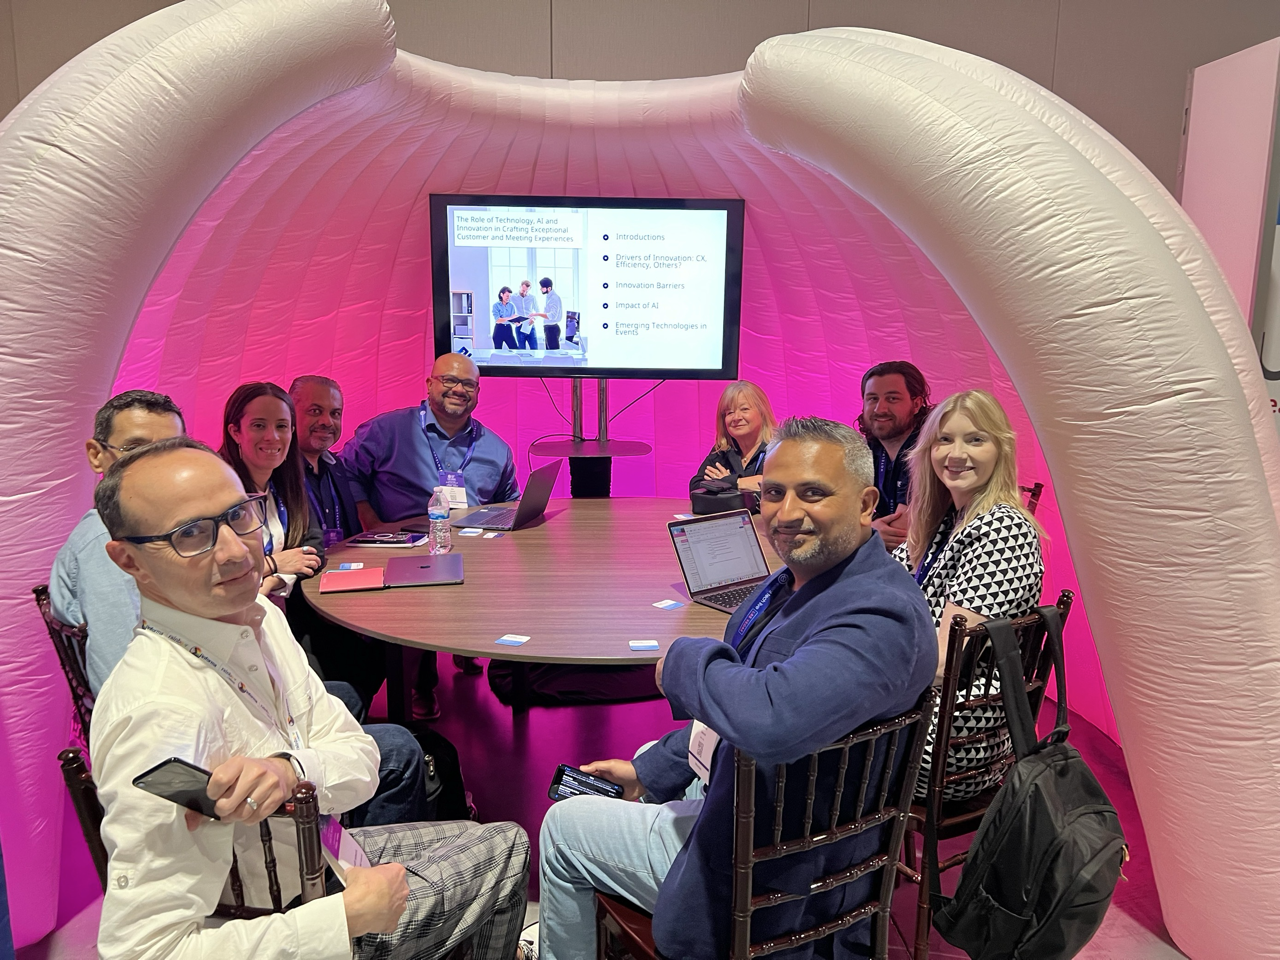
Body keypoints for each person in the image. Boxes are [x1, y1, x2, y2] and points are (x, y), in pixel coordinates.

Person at [89, 438, 529, 959]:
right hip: (303, 916)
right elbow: (143, 951)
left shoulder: (260, 617)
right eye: (191, 535)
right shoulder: (160, 712)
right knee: (505, 849)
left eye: (238, 516)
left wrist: (287, 770)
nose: (234, 550)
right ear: (128, 560)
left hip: (321, 856)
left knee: (475, 831)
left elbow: (360, 760)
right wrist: (340, 920)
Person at [536, 417, 937, 960]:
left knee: (564, 826)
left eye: (813, 493)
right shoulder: (807, 580)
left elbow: (767, 717)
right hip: (768, 813)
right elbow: (739, 706)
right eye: (774, 492)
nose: (787, 513)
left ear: (867, 504)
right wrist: (649, 773)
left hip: (772, 876)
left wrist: (679, 658)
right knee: (644, 758)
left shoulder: (880, 616)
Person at [340, 353, 519, 717]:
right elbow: (344, 471)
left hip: (474, 545)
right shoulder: (388, 430)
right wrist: (370, 518)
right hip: (407, 542)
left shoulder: (496, 448)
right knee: (425, 597)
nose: (458, 390)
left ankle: (472, 647)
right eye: (449, 381)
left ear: (478, 391)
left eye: (468, 384)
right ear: (430, 384)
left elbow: (511, 500)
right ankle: (418, 688)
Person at [895, 389, 1044, 800]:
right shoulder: (946, 521)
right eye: (945, 439)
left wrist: (857, 670)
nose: (955, 454)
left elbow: (945, 662)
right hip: (924, 711)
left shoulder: (1003, 529)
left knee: (792, 734)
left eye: (975, 439)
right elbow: (876, 582)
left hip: (953, 737)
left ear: (1001, 449)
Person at [50, 390, 184, 694]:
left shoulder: (148, 530)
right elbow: (125, 682)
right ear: (97, 456)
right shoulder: (108, 544)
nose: (155, 466)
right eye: (135, 449)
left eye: (170, 451)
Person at [288, 375, 387, 712]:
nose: (327, 422)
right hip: (301, 604)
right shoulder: (275, 472)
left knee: (386, 644)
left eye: (335, 413)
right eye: (315, 411)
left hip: (340, 585)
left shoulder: (338, 467)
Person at [218, 382, 323, 599]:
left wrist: (275, 579)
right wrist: (274, 563)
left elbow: (314, 550)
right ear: (235, 432)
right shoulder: (215, 492)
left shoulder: (288, 483)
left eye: (281, 426)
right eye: (258, 425)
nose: (272, 436)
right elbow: (215, 570)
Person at [856, 360, 933, 552]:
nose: (880, 409)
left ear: (916, 405)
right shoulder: (870, 448)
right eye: (872, 398)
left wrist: (864, 531)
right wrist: (869, 529)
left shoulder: (928, 448)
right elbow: (838, 507)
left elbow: (900, 532)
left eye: (892, 399)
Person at [688, 380, 777, 496]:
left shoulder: (778, 449)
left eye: (744, 409)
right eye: (729, 412)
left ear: (762, 412)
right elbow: (696, 487)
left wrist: (727, 482)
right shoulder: (722, 450)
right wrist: (741, 484)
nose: (736, 417)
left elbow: (774, 487)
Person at [511, 279, 539, 350]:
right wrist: (513, 321)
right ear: (520, 287)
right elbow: (509, 311)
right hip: (519, 326)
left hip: (530, 326)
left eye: (527, 291)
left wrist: (534, 319)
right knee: (521, 350)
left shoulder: (532, 298)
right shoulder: (512, 297)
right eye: (523, 290)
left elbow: (537, 311)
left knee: (535, 349)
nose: (525, 292)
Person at [538, 278, 563, 350]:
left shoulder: (554, 298)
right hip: (548, 328)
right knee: (549, 353)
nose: (540, 289)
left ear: (549, 288)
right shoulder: (549, 296)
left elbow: (552, 316)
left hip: (552, 329)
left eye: (542, 287)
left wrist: (537, 314)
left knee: (553, 355)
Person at [492, 285, 518, 351]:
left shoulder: (511, 305)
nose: (508, 298)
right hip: (499, 329)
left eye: (509, 296)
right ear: (501, 294)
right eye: (507, 296)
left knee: (515, 349)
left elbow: (513, 318)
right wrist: (509, 318)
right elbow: (498, 320)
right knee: (498, 351)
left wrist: (517, 322)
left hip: (508, 329)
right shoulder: (496, 305)